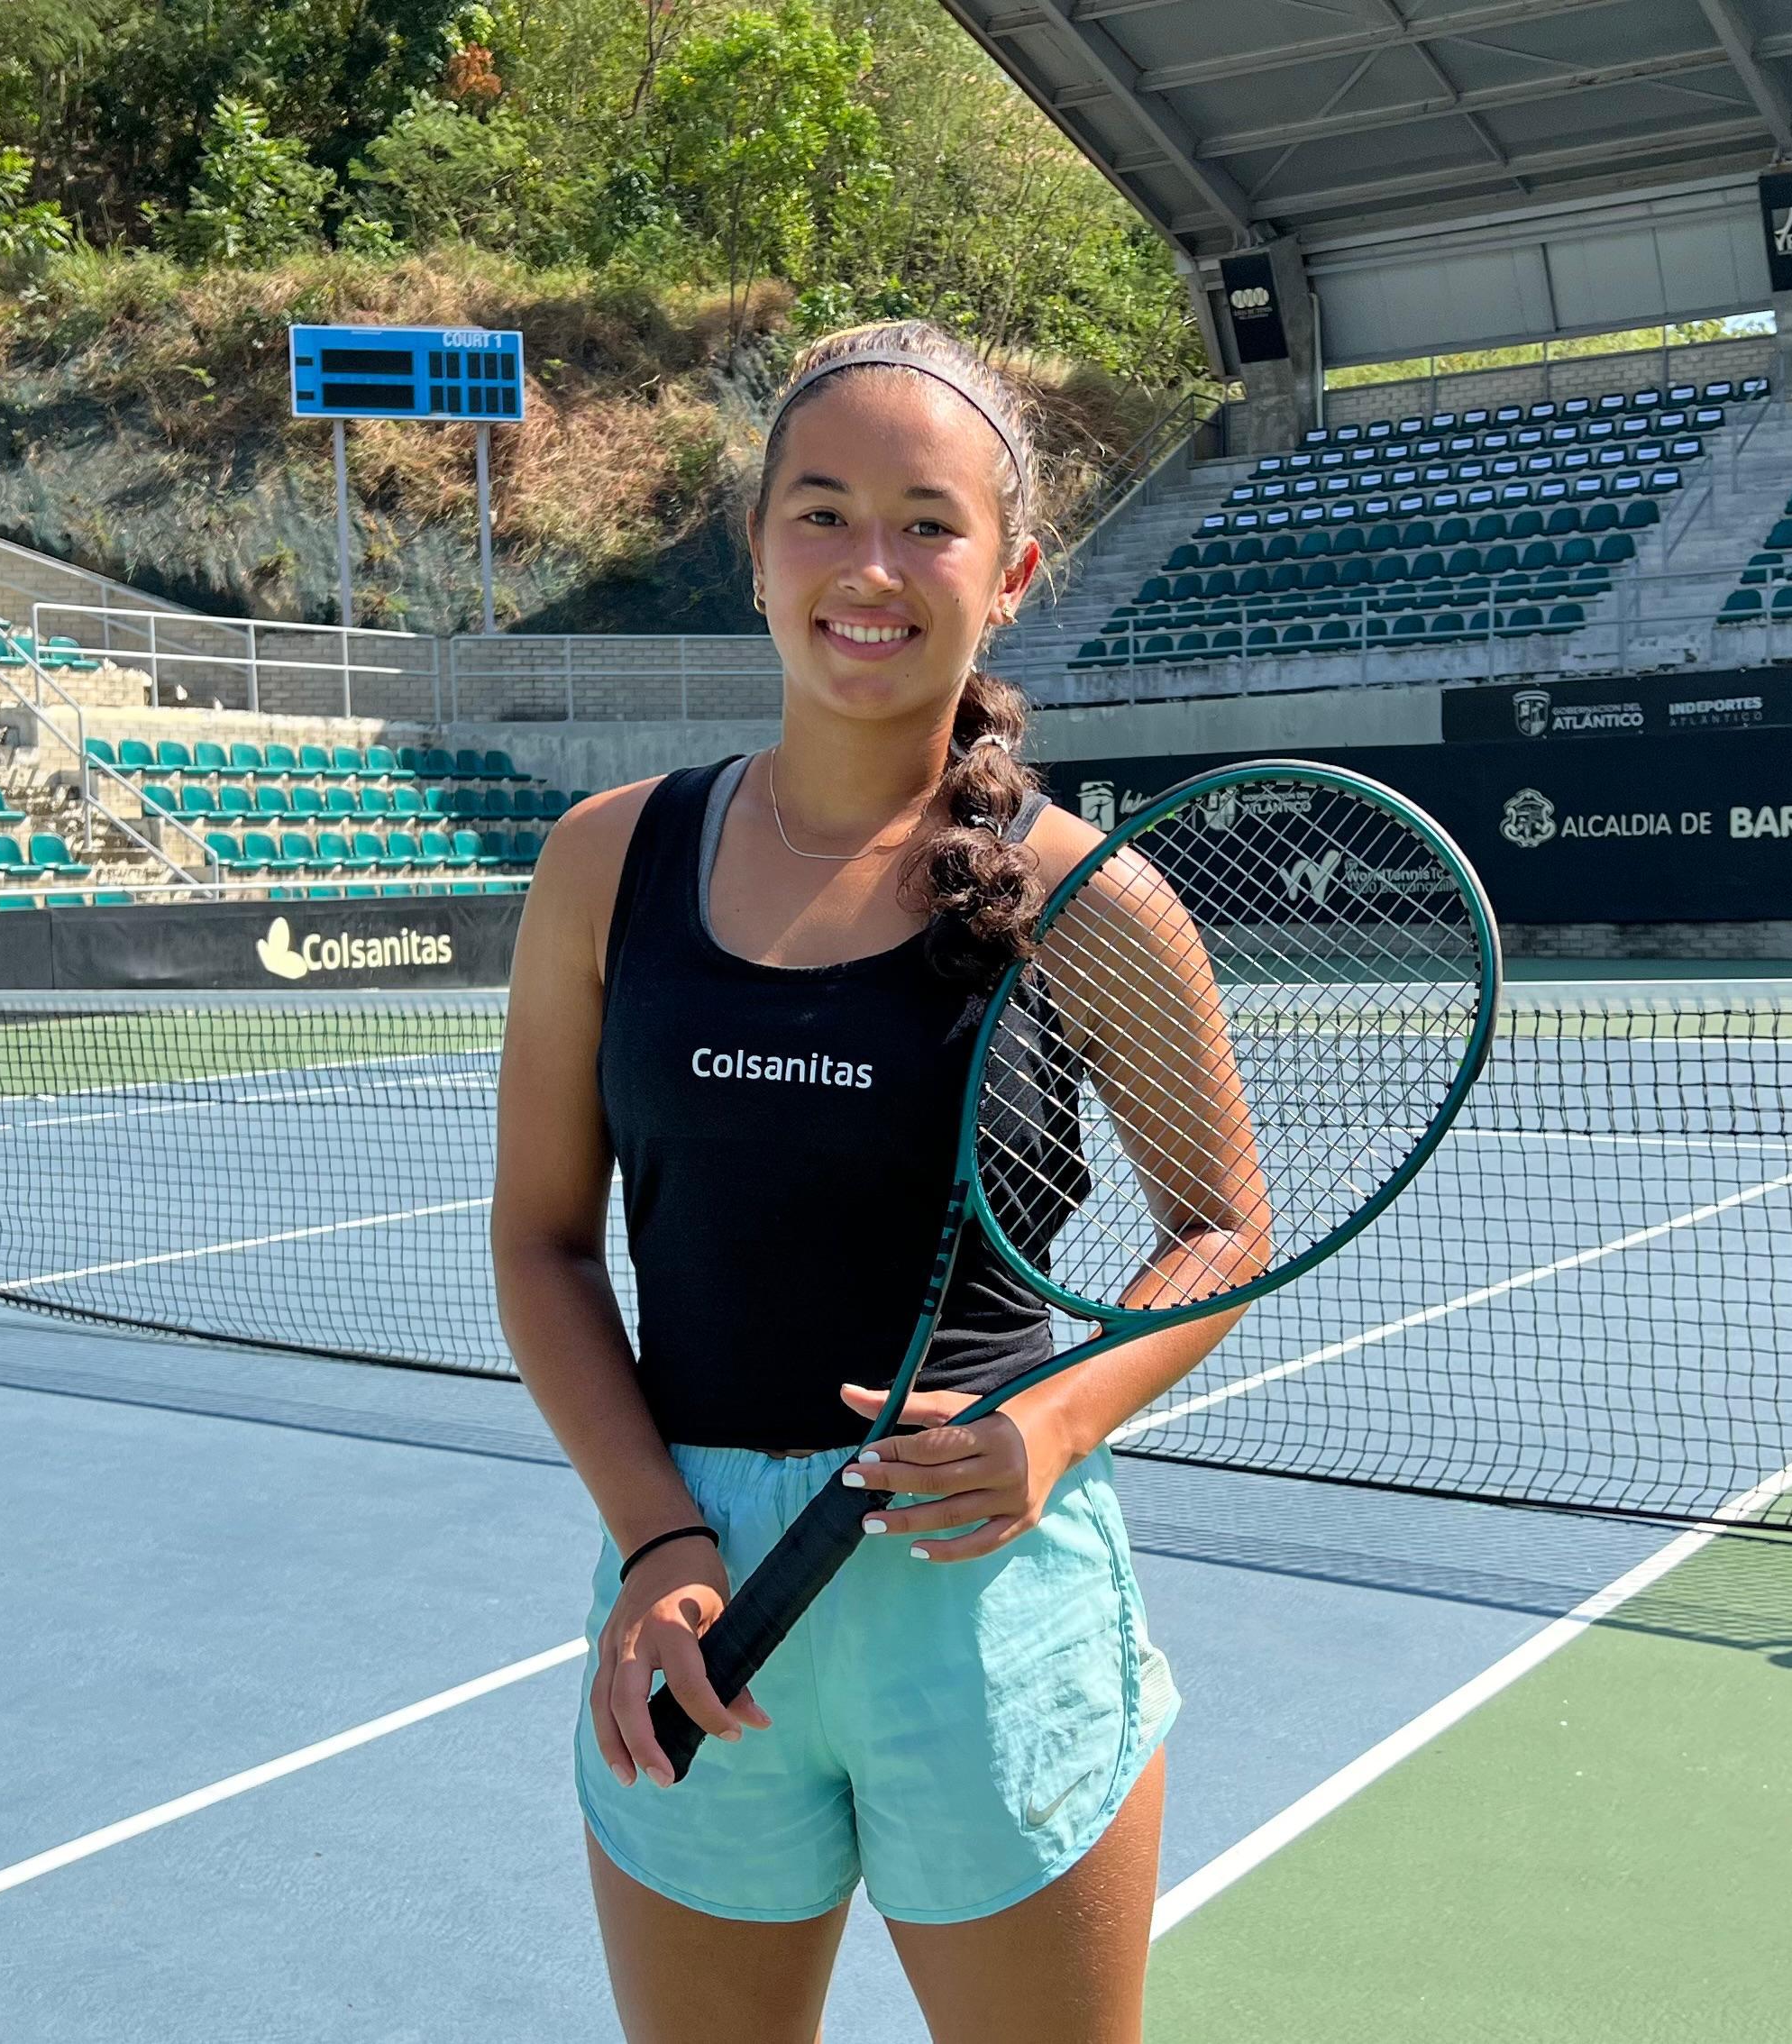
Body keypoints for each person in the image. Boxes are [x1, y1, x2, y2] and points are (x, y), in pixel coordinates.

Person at [490, 321, 1249, 2042]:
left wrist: (1046, 1431)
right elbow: (541, 1245)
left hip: (981, 1595)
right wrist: (656, 1537)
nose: (871, 566)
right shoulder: (603, 863)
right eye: (821, 512)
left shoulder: (1090, 899)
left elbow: (1220, 1224)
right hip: (685, 1596)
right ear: (753, 550)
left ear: (1015, 570)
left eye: (929, 520)